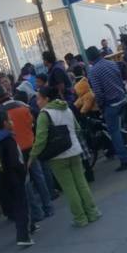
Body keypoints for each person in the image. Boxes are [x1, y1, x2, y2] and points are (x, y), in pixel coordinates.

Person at [30, 86, 101, 228]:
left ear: (46, 99)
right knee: (81, 183)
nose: (37, 102)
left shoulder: (44, 114)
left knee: (69, 188)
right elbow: (77, 128)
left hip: (58, 156)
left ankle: (80, 218)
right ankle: (92, 212)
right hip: (74, 150)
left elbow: (41, 139)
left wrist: (32, 156)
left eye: (39, 99)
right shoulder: (66, 108)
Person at [0, 85, 53, 220]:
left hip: (15, 150)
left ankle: (37, 213)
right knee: (39, 177)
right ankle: (48, 206)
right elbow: (32, 122)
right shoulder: (22, 106)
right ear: (7, 92)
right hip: (31, 145)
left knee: (26, 182)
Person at [86, 45, 127, 172]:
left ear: (89, 59)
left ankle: (125, 159)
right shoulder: (111, 63)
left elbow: (98, 93)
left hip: (111, 104)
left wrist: (101, 106)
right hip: (122, 99)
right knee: (124, 129)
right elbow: (120, 80)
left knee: (114, 132)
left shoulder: (93, 72)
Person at [0, 109, 33, 247]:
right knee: (21, 205)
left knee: (17, 204)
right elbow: (15, 162)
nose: (12, 121)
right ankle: (23, 236)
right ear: (5, 123)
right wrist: (23, 171)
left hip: (4, 178)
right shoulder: (8, 140)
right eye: (9, 119)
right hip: (14, 177)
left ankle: (30, 226)